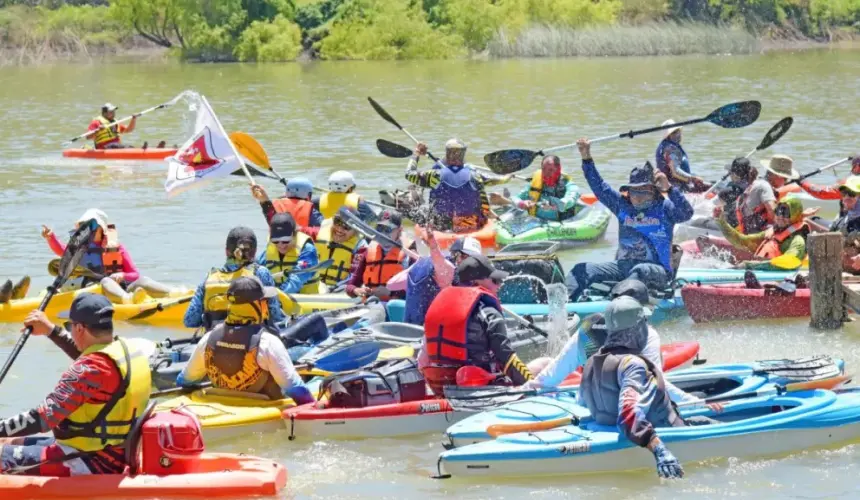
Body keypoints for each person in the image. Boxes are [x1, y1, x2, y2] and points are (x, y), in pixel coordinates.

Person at [1, 294, 151, 476]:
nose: (70, 330)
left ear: (79, 328)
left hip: (91, 461)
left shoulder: (89, 369)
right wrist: (51, 331)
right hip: (107, 451)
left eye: (69, 326)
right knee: (9, 442)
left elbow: (43, 418)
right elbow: (91, 357)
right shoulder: (127, 350)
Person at [524, 279, 721, 409]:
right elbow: (655, 385)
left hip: (590, 405)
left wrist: (524, 391)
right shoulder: (647, 335)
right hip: (628, 410)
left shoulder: (589, 327)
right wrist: (697, 403)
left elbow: (550, 377)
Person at [567, 138, 694, 301]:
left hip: (657, 272)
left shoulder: (665, 208)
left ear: (654, 191)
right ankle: (565, 306)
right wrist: (586, 157)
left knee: (640, 270)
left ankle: (617, 302)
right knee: (582, 269)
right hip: (623, 267)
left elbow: (687, 212)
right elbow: (598, 186)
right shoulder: (622, 206)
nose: (638, 198)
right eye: (634, 192)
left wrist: (669, 188)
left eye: (643, 192)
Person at [578, 295, 686, 479]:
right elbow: (628, 415)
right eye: (644, 322)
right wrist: (660, 450)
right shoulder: (633, 365)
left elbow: (582, 403)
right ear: (637, 328)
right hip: (667, 435)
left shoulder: (591, 362)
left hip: (606, 433)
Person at [176, 276, 314, 404]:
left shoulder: (208, 339)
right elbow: (296, 390)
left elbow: (184, 381)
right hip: (261, 412)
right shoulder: (268, 343)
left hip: (222, 407)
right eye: (264, 301)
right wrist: (315, 407)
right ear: (257, 305)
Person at [421, 254, 533, 395]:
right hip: (481, 387)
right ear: (475, 282)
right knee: (543, 363)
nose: (499, 285)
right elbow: (506, 357)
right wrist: (531, 384)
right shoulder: (487, 312)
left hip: (441, 387)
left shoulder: (439, 307)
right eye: (495, 280)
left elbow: (422, 359)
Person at [42, 209, 174, 304]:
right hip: (92, 290)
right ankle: (128, 300)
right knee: (106, 281)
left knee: (143, 281)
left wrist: (122, 276)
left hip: (119, 289)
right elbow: (60, 250)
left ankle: (174, 293)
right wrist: (50, 237)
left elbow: (134, 274)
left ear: (101, 229)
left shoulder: (116, 247)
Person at [184, 226, 284, 329]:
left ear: (226, 251)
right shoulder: (260, 273)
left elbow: (189, 321)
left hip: (215, 339)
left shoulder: (209, 278)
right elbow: (276, 316)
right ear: (254, 252)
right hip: (250, 339)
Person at [407, 139, 507, 232]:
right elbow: (500, 180)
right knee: (481, 195)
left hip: (441, 226)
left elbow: (409, 174)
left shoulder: (434, 175)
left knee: (420, 210)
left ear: (447, 154)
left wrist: (417, 154)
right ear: (463, 154)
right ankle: (493, 219)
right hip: (470, 225)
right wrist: (508, 177)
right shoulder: (475, 175)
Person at [388, 234, 482, 325]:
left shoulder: (421, 265)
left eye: (475, 260)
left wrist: (416, 265)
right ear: (455, 254)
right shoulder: (451, 273)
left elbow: (391, 285)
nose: (471, 263)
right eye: (465, 257)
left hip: (410, 328)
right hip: (432, 334)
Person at [716, 197, 809, 270]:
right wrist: (721, 222)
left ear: (795, 215)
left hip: (777, 281)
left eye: (786, 213)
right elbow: (741, 241)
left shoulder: (798, 241)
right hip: (758, 271)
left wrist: (750, 265)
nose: (780, 216)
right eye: (778, 211)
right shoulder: (771, 233)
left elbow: (790, 261)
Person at [345, 209, 415, 300]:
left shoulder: (410, 254)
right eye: (380, 229)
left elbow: (416, 289)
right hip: (372, 305)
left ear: (399, 230)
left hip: (397, 307)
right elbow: (350, 286)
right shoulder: (368, 252)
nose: (383, 234)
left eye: (388, 229)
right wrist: (357, 290)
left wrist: (390, 292)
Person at [257, 212, 321, 295]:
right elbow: (254, 269)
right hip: (280, 299)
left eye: (285, 240)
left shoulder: (308, 250)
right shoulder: (270, 249)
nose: (281, 245)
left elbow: (296, 281)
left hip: (304, 301)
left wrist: (276, 297)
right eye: (276, 241)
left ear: (295, 234)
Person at [513, 155, 581, 221]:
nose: (546, 173)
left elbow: (571, 199)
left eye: (551, 170)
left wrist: (554, 204)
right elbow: (515, 197)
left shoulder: (569, 185)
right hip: (536, 221)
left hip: (558, 224)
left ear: (558, 169)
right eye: (544, 169)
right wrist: (521, 203)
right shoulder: (535, 183)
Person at [315, 207, 367, 291]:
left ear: (356, 230)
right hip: (314, 285)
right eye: (337, 222)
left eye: (346, 226)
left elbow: (354, 275)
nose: (339, 229)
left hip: (340, 290)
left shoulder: (361, 246)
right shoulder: (317, 234)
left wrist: (333, 288)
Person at [250, 179, 323, 239]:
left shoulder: (274, 204)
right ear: (308, 195)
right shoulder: (310, 209)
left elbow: (270, 216)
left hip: (277, 246)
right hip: (300, 246)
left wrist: (264, 201)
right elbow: (323, 230)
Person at [655, 120, 709, 193]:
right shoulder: (671, 149)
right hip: (677, 189)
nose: (679, 134)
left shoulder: (664, 145)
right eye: (674, 132)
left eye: (678, 131)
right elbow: (676, 172)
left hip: (672, 185)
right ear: (668, 135)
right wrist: (693, 179)